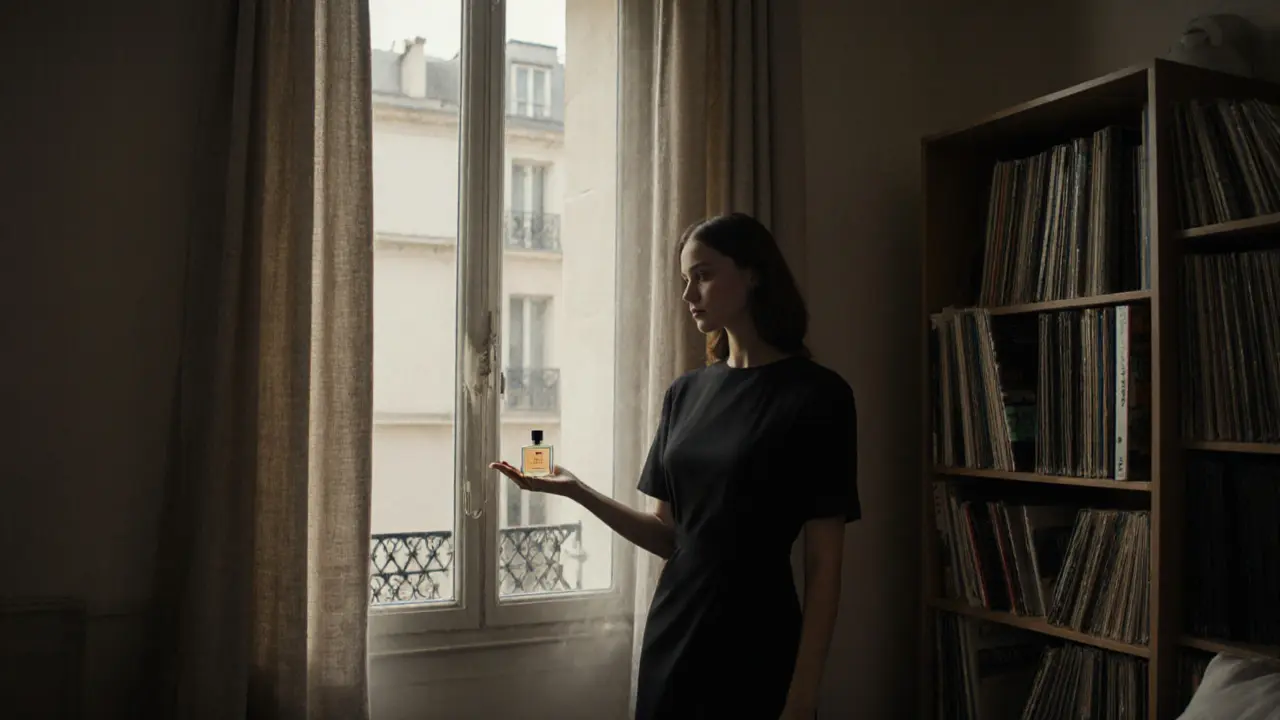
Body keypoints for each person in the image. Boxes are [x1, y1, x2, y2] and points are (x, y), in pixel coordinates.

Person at [490, 212, 859, 720]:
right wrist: (578, 491)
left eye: (703, 275)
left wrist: (804, 692)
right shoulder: (685, 394)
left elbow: (824, 567)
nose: (689, 295)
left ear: (753, 273)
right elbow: (668, 536)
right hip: (674, 633)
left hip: (758, 640)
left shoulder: (819, 396)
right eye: (685, 280)